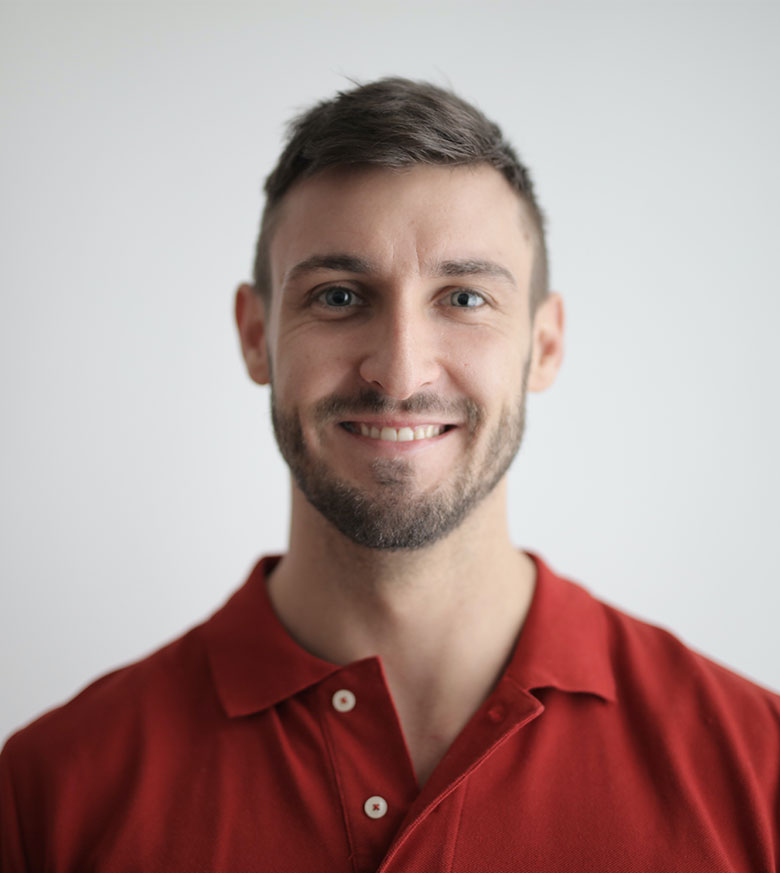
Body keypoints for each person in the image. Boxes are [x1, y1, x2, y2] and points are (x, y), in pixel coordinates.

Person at [1, 77, 778, 873]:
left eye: (464, 297)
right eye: (339, 296)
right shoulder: (47, 794)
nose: (401, 372)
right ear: (256, 334)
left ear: (543, 345)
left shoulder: (761, 770)